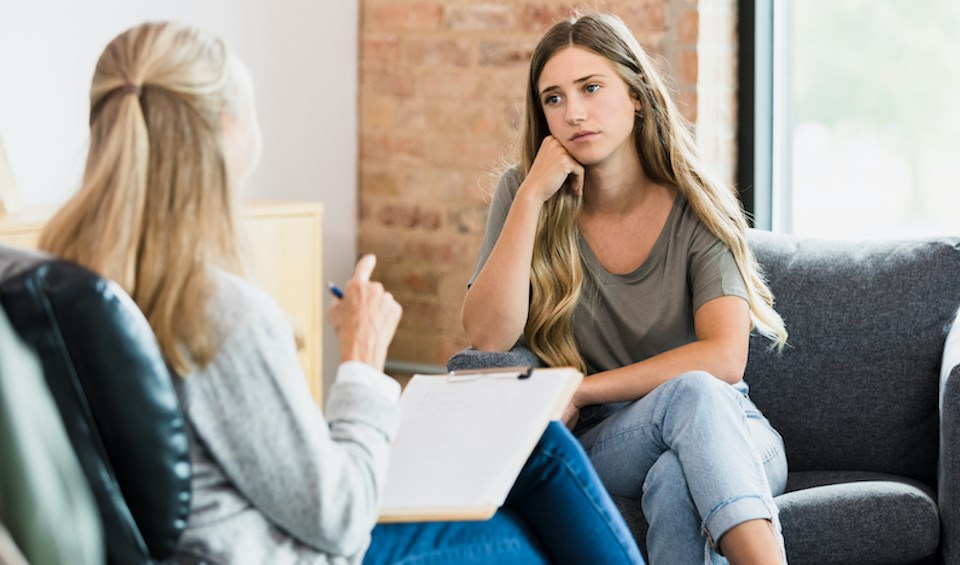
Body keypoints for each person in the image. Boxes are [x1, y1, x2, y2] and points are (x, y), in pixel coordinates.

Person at [38, 21, 645, 565]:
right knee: (532, 516)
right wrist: (360, 361)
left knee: (536, 447)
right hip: (293, 550)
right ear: (225, 129)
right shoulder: (215, 313)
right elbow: (339, 519)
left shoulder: (66, 284)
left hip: (238, 534)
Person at [462, 12, 789, 565]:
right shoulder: (525, 194)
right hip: (612, 441)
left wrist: (579, 389)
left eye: (591, 88)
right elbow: (488, 335)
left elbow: (725, 358)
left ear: (636, 93)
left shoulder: (696, 203)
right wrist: (529, 200)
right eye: (554, 99)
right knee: (689, 400)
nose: (574, 113)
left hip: (733, 430)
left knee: (678, 467)